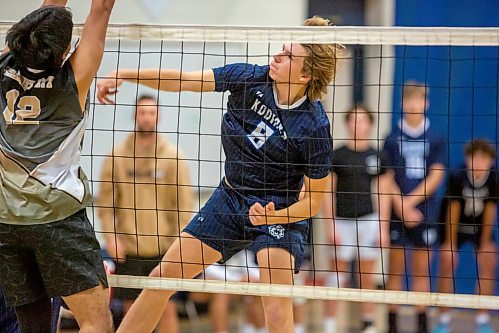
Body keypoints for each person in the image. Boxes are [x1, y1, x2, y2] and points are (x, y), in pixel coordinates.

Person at [97, 15, 341, 333]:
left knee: (278, 309)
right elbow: (184, 80)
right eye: (282, 48)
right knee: (161, 279)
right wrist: (124, 74)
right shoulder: (249, 79)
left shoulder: (314, 126)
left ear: (306, 74)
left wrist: (274, 216)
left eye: (289, 56)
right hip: (231, 197)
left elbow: (313, 203)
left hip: (278, 210)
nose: (277, 56)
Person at [0, 0, 115, 332]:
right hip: (58, 220)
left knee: (34, 328)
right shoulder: (73, 80)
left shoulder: (4, 64)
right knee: (97, 322)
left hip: (7, 223)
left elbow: (48, 9)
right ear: (64, 52)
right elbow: (102, 9)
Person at [97, 94, 194, 333]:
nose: (147, 117)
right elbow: (106, 203)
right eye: (143, 113)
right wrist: (111, 238)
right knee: (133, 310)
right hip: (129, 248)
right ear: (135, 116)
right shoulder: (117, 156)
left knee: (166, 308)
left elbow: (184, 205)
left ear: (158, 116)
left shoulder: (174, 156)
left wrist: (179, 245)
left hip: (164, 248)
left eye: (152, 113)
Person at [380, 81, 446, 333]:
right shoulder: (392, 137)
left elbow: (436, 176)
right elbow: (386, 178)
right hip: (398, 213)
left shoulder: (436, 137)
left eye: (418, 99)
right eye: (409, 99)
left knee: (422, 272)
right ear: (402, 103)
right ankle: (392, 324)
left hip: (425, 213)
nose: (413, 104)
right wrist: (401, 206)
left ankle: (421, 324)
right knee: (394, 271)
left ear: (426, 103)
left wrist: (410, 203)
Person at [322, 105, 388, 333]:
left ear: (370, 124)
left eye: (362, 120)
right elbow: (327, 193)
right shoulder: (337, 155)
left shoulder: (377, 156)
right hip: (342, 221)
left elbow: (384, 193)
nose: (357, 124)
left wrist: (383, 228)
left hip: (369, 221)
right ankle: (330, 324)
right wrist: (330, 226)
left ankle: (368, 323)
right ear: (347, 123)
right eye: (353, 120)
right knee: (337, 277)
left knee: (366, 276)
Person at [433, 139, 499, 333]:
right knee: (447, 263)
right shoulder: (456, 175)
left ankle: (482, 319)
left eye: (483, 158)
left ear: (491, 161)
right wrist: (450, 245)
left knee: (488, 262)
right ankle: (443, 319)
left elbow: (490, 209)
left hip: (480, 226)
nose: (478, 162)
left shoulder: (494, 177)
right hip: (454, 225)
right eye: (474, 157)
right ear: (466, 158)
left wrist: (486, 242)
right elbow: (452, 211)